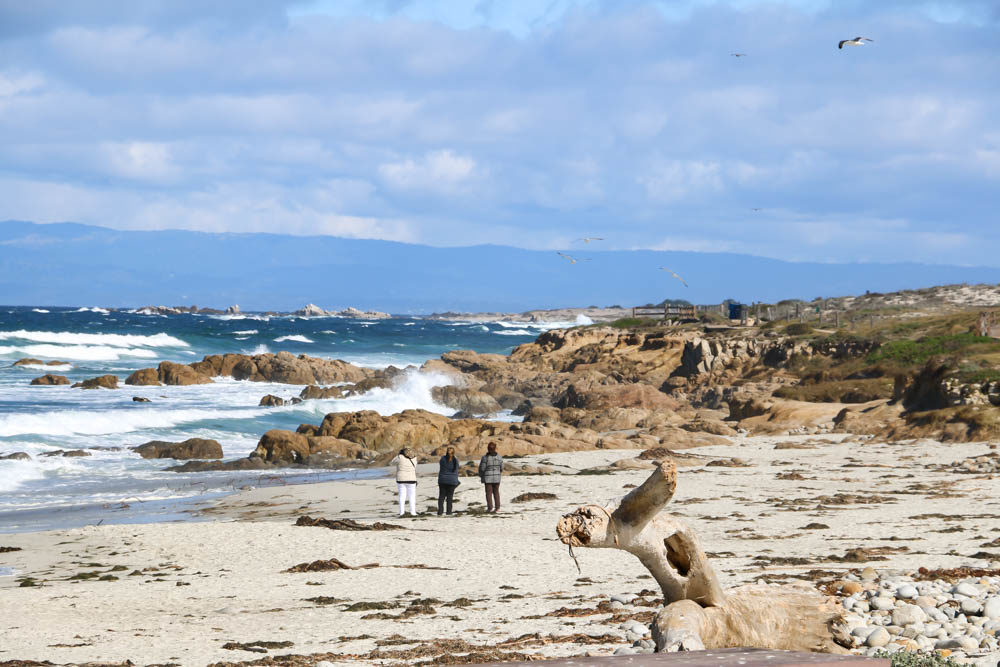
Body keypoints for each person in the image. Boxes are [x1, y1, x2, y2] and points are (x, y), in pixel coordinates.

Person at [391, 447, 418, 516]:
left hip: (401, 479)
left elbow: (392, 462)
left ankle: (401, 512)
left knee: (402, 496)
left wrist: (399, 454)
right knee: (412, 496)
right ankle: (413, 512)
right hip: (412, 479)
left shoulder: (399, 457)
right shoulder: (414, 458)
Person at [478, 442, 504, 513]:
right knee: (496, 492)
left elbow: (482, 468)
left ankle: (490, 508)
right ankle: (497, 508)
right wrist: (498, 472)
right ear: (495, 448)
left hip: (487, 478)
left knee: (488, 493)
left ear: (488, 448)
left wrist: (481, 475)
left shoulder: (485, 458)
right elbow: (502, 467)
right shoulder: (499, 457)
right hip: (497, 478)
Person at [437, 446, 460, 515]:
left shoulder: (442, 459)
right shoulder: (455, 460)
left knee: (441, 497)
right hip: (452, 481)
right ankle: (449, 512)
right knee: (450, 497)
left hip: (442, 480)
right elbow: (456, 469)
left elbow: (441, 465)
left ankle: (440, 512)